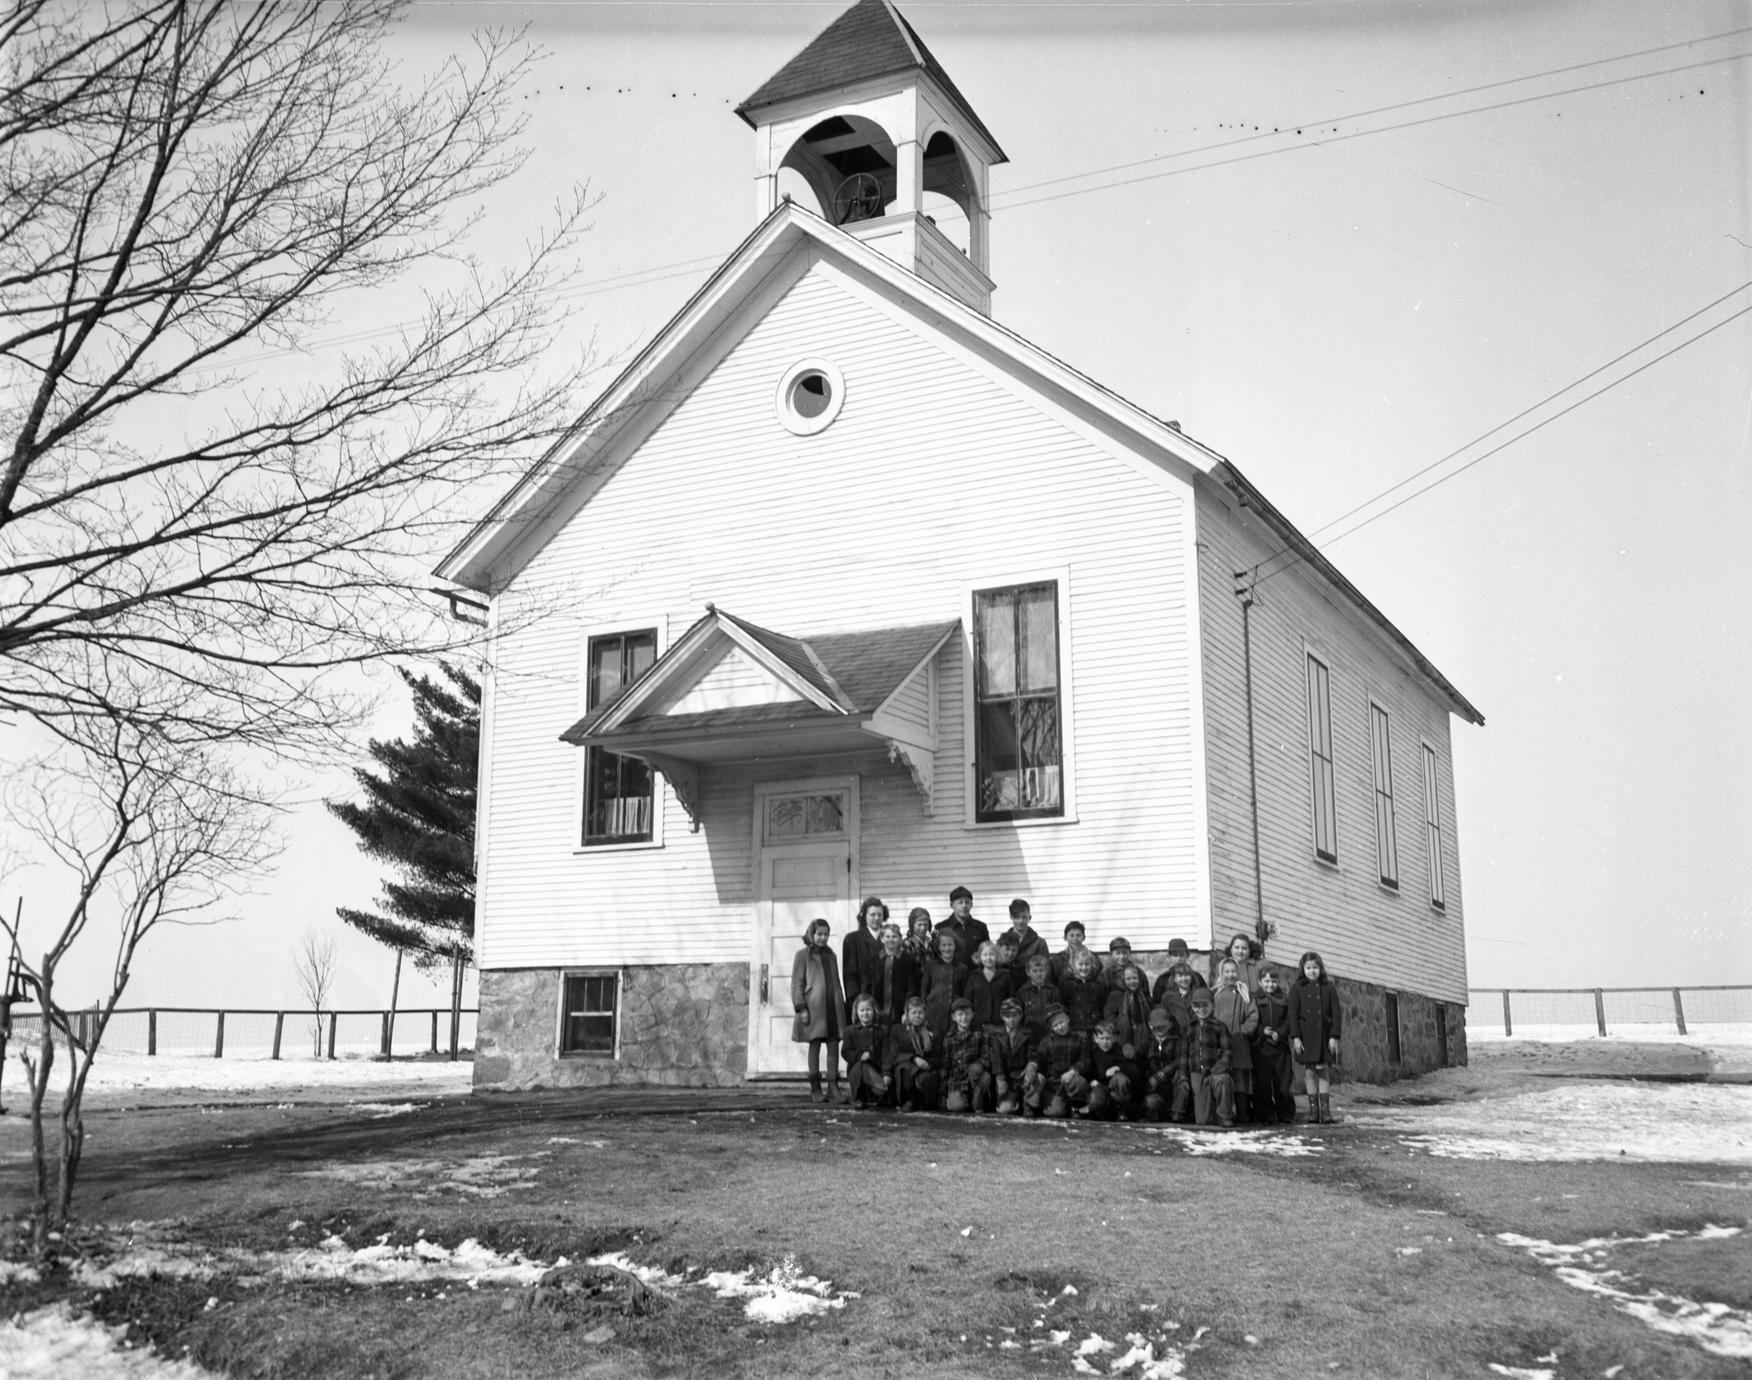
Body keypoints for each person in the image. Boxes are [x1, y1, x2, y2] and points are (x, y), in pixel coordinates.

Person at [791, 917, 849, 1103]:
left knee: (833, 1044)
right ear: (811, 934)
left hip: (833, 1005)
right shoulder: (803, 955)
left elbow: (837, 981)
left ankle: (833, 1086)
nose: (823, 938)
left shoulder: (831, 955)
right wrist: (801, 1007)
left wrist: (842, 1005)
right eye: (819, 934)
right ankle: (815, 1088)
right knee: (814, 1044)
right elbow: (797, 983)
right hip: (814, 1007)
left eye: (826, 934)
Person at [1287, 950, 1343, 1124]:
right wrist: (1296, 1037)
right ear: (1303, 969)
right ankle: (1313, 1111)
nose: (1312, 971)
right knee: (1310, 1071)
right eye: (1308, 968)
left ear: (1321, 968)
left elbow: (1336, 1013)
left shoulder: (1329, 987)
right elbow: (1293, 1013)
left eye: (1315, 967)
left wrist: (1334, 1036)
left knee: (1323, 1070)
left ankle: (1325, 1112)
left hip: (1324, 1035)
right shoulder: (1297, 988)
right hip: (1306, 1035)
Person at [1210, 956, 1260, 1122]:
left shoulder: (1244, 994)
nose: (1230, 975)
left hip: (1238, 1043)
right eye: (1227, 971)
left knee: (1239, 1079)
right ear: (1221, 973)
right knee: (1223, 1077)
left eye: (1233, 971)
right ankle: (1223, 1113)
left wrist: (1242, 1031)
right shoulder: (1215, 994)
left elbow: (1252, 1016)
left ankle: (1243, 1114)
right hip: (1219, 1044)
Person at [1182, 987, 1235, 1127]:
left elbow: (1228, 1051)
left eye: (1205, 1006)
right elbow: (1183, 1055)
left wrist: (1221, 1066)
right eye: (1197, 1006)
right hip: (1197, 1073)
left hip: (1215, 1070)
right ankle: (1210, 1112)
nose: (1201, 1010)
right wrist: (1183, 1076)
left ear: (1212, 1005)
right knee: (1203, 1121)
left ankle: (1225, 1115)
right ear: (1192, 1007)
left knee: (1223, 1080)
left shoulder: (1220, 1027)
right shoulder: (1189, 1028)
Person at [1251, 966, 1296, 1124]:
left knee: (1283, 1082)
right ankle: (1265, 1113)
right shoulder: (1254, 998)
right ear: (1260, 982)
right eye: (1267, 981)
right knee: (1262, 1083)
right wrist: (1263, 1030)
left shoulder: (1283, 998)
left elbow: (1289, 1020)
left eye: (1274, 981)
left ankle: (1285, 1113)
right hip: (1261, 1046)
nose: (1270, 984)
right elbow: (1251, 1019)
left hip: (1280, 1047)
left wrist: (1280, 1033)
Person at [1037, 1004, 1094, 1119]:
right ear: (1051, 1027)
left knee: (1080, 1082)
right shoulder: (1045, 1043)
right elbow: (1040, 1061)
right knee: (1055, 1113)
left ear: (1067, 1019)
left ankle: (1075, 1106)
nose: (1060, 1027)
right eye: (1055, 1025)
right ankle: (1056, 1103)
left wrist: (1073, 1071)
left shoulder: (1079, 1040)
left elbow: (1085, 1060)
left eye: (1061, 1022)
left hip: (1072, 1080)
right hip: (1054, 1084)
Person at [884, 995, 940, 1112]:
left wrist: (927, 1064)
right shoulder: (898, 1030)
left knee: (926, 1079)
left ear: (925, 1014)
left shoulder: (933, 1031)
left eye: (920, 1013)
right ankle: (909, 1100)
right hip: (906, 1069)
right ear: (907, 1014)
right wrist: (914, 1059)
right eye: (913, 1013)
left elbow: (937, 1055)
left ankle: (924, 1101)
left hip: (926, 1068)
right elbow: (895, 1055)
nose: (917, 1016)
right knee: (905, 1068)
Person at [940, 996, 993, 1113]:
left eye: (967, 1014)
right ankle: (964, 1101)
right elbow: (945, 1065)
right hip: (958, 1080)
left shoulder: (980, 1034)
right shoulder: (949, 1039)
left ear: (973, 1015)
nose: (964, 1017)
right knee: (956, 1107)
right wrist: (943, 1088)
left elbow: (987, 1054)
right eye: (960, 1014)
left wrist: (979, 1065)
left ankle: (979, 1102)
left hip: (976, 1077)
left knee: (985, 1078)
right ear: (953, 1017)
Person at [987, 998, 1038, 1115]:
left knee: (1038, 1079)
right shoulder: (995, 1035)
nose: (1011, 1019)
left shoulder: (1028, 1033)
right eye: (1007, 1016)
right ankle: (1013, 1101)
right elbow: (996, 1059)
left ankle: (1028, 1103)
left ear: (1021, 1016)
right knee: (1005, 1109)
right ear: (1002, 1016)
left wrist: (1031, 1066)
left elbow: (1033, 1054)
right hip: (1007, 1078)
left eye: (1015, 1015)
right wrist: (1000, 1079)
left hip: (1022, 1075)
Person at [842, 993, 890, 1108]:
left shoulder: (882, 1030)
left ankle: (878, 1093)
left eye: (868, 1010)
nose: (865, 1013)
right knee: (861, 1067)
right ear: (856, 1012)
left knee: (881, 1089)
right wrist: (859, 1056)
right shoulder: (850, 1031)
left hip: (876, 1067)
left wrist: (887, 1073)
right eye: (862, 1010)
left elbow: (886, 1054)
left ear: (874, 1011)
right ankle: (859, 1097)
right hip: (857, 1069)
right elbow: (846, 1051)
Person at [1087, 1019, 1140, 1120]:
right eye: (1101, 1038)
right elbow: (1088, 1070)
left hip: (1116, 1089)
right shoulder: (1093, 1053)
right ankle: (1101, 1111)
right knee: (1095, 1101)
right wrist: (1091, 1080)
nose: (1104, 1042)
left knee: (1120, 1079)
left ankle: (1122, 1110)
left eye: (1108, 1038)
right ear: (1096, 1039)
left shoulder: (1120, 1052)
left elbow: (1134, 1069)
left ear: (1114, 1038)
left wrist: (1118, 1068)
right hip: (1101, 1085)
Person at [919, 929, 967, 1041]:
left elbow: (964, 993)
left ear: (955, 946)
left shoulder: (962, 968)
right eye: (943, 945)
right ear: (938, 947)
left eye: (950, 945)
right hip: (934, 1013)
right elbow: (924, 991)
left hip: (953, 1013)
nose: (947, 948)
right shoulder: (931, 966)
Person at [1139, 1007, 1184, 1123]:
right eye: (1155, 1026)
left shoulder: (1177, 1041)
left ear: (1169, 1025)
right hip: (1153, 1088)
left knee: (1181, 1076)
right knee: (1151, 1102)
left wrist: (1162, 1074)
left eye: (1162, 1025)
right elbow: (1141, 1063)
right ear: (1150, 1025)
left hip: (1171, 1085)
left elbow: (1179, 1060)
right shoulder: (1147, 1042)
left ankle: (1176, 1112)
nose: (1159, 1029)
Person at [871, 922, 920, 1026]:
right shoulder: (874, 959)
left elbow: (912, 988)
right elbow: (868, 985)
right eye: (887, 936)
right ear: (882, 938)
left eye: (894, 937)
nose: (891, 940)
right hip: (878, 1010)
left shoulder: (908, 960)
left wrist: (907, 1011)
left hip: (900, 1011)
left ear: (899, 939)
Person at [842, 897, 888, 1003]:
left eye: (879, 914)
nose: (876, 918)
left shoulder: (889, 937)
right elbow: (850, 977)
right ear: (864, 916)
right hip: (863, 1000)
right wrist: (855, 1001)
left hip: (886, 1000)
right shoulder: (852, 939)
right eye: (872, 914)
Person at [1103, 959, 1153, 1058]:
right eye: (1128, 979)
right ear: (1123, 980)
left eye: (1135, 978)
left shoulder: (1145, 996)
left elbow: (1151, 1014)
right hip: (1123, 1035)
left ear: (1139, 979)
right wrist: (1118, 1026)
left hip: (1142, 1035)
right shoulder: (1116, 995)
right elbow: (1109, 1014)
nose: (1132, 981)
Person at [935, 885, 990, 965]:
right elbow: (937, 956)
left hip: (975, 974)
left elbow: (987, 951)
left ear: (971, 905)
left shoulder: (980, 927)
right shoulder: (941, 928)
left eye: (967, 902)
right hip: (951, 973)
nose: (964, 906)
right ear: (952, 905)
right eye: (960, 902)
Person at [1058, 947, 1107, 1036]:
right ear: (1073, 965)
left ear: (1092, 965)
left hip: (1095, 1026)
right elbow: (1063, 1005)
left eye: (1087, 964)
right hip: (1075, 1027)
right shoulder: (1066, 984)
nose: (1084, 967)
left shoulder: (1097, 984)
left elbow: (1102, 1005)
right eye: (1080, 964)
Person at [965, 941, 1014, 1028]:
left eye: (992, 954)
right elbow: (968, 1000)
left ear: (997, 956)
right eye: (985, 955)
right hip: (978, 1024)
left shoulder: (1005, 976)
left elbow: (1010, 999)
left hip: (1000, 1023)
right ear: (980, 957)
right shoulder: (974, 976)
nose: (988, 958)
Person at [1151, 939, 1208, 1004]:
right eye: (1175, 955)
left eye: (1181, 954)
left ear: (1187, 955)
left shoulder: (1197, 978)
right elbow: (1156, 1003)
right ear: (1170, 957)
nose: (1179, 958)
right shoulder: (1163, 979)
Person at [1015, 952, 1059, 1037]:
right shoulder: (1022, 992)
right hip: (1028, 1034)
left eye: (1041, 970)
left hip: (1049, 1034)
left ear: (1047, 971)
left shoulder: (1053, 991)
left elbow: (1059, 1014)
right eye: (1035, 971)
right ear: (1028, 972)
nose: (1038, 974)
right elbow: (1018, 1015)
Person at [1003, 899, 1050, 975]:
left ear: (1029, 917)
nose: (1020, 921)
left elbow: (1046, 970)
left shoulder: (1039, 943)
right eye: (1017, 917)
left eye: (1024, 917)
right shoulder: (1002, 942)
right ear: (1011, 917)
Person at [1223, 931, 1263, 1002]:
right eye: (1237, 947)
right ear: (1231, 949)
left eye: (1244, 948)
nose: (1240, 951)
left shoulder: (1260, 965)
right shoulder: (1223, 966)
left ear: (1250, 950)